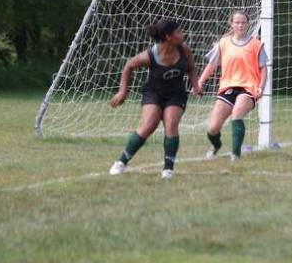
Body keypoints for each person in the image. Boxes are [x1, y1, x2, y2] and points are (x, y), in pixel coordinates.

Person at [109, 19, 198, 179]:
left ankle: (168, 169)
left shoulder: (185, 50)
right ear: (168, 37)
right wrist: (123, 92)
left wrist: (195, 85)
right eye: (178, 32)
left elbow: (191, 69)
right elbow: (129, 66)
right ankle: (121, 162)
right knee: (149, 124)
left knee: (171, 123)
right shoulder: (151, 55)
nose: (182, 34)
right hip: (153, 93)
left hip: (176, 95)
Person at [197, 10, 268, 161]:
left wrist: (261, 86)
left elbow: (263, 68)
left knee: (237, 115)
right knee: (213, 128)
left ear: (248, 24)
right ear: (232, 24)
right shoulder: (223, 43)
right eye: (237, 22)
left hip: (249, 88)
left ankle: (235, 155)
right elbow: (212, 65)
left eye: (243, 22)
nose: (240, 25)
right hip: (228, 88)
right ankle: (216, 145)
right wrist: (200, 81)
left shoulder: (256, 44)